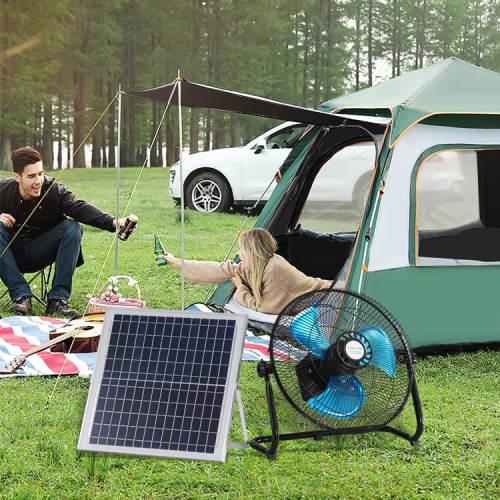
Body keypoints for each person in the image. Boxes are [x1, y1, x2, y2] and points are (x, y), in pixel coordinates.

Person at [0, 147, 129, 317]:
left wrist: (113, 222)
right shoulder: (3, 189)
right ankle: (21, 297)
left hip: (41, 251)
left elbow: (79, 208)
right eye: (31, 176)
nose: (38, 180)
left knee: (72, 226)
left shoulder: (54, 190)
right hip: (8, 254)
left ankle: (57, 301)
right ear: (17, 177)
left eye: (40, 173)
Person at [159, 227, 333, 315]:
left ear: (252, 253)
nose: (237, 253)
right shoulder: (256, 265)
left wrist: (240, 288)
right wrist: (177, 262)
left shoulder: (275, 271)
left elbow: (263, 308)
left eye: (241, 250)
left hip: (333, 298)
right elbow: (218, 269)